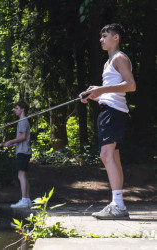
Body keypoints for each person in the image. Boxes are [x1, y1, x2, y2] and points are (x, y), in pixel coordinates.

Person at [79, 23, 136, 219]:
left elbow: (130, 86)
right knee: (113, 157)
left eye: (105, 36)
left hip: (113, 112)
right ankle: (118, 204)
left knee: (106, 155)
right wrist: (93, 95)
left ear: (116, 37)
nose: (101, 39)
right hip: (110, 109)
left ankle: (118, 205)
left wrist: (100, 91)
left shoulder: (119, 58)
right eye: (100, 36)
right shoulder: (108, 62)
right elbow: (110, 91)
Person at [4, 101, 32, 208]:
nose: (15, 110)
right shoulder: (23, 121)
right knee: (23, 175)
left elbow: (23, 137)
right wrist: (13, 144)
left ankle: (24, 200)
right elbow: (23, 140)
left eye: (17, 108)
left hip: (23, 152)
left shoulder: (22, 120)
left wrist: (10, 141)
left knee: (21, 175)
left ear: (22, 109)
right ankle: (28, 200)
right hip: (23, 151)